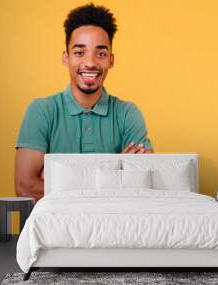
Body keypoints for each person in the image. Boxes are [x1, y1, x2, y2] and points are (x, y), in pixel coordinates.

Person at [14, 3, 154, 201]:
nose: (90, 63)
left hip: (115, 228)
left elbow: (143, 188)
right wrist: (115, 176)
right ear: (66, 57)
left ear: (111, 60)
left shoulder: (127, 114)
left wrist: (57, 182)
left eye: (101, 54)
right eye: (80, 52)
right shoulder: (42, 111)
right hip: (56, 230)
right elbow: (25, 188)